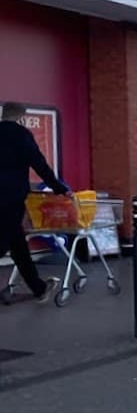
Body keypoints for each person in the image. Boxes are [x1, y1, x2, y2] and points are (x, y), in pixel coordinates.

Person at [0, 102, 70, 303]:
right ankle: (38, 288)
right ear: (21, 117)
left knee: (18, 246)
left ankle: (39, 288)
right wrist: (59, 188)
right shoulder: (21, 135)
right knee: (6, 241)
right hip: (11, 198)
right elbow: (39, 163)